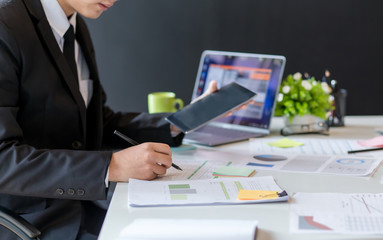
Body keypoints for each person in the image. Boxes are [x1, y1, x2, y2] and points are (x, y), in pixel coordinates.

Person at [0, 0, 224, 239]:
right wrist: (111, 166)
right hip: (36, 222)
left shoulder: (75, 27)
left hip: (86, 206)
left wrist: (180, 122)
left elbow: (96, 122)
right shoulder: (6, 27)